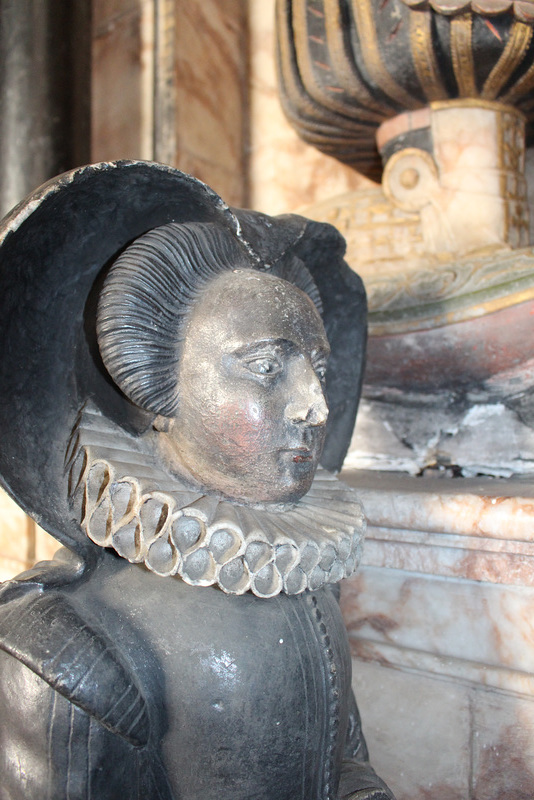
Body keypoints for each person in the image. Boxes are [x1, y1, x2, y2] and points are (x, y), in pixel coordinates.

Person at [0, 162, 396, 800]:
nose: (315, 406)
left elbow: (341, 765)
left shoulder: (308, 589)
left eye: (317, 368)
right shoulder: (67, 648)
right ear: (152, 382)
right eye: (266, 366)